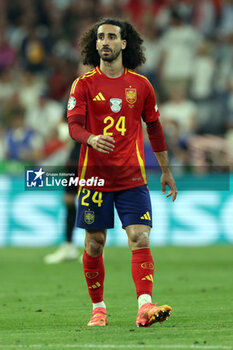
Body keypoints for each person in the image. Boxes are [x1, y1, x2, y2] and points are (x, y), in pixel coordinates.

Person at [67, 18, 177, 327]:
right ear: (95, 43)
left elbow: (154, 127)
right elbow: (74, 126)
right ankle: (98, 308)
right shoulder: (84, 84)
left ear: (123, 44)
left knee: (140, 238)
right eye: (101, 37)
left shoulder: (141, 86)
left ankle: (145, 306)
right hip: (95, 180)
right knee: (94, 244)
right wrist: (90, 138)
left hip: (132, 179)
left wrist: (166, 170)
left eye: (111, 37)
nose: (105, 41)